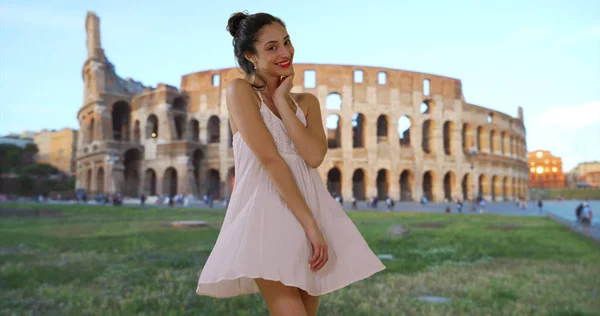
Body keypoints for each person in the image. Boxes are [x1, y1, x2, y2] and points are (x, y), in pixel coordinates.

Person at [195, 12, 385, 315]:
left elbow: (313, 157)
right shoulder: (240, 91)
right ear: (250, 56)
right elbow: (270, 160)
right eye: (271, 47)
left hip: (311, 208)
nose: (285, 52)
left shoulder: (306, 102)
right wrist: (310, 225)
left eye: (286, 42)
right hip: (267, 213)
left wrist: (283, 100)